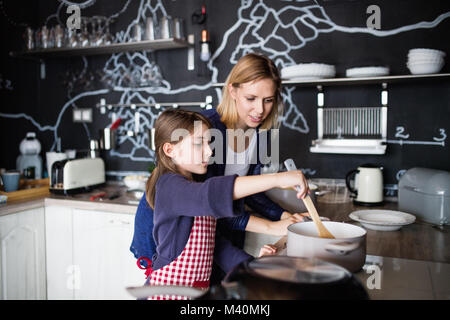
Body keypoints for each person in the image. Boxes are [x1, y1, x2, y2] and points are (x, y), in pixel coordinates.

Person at [131, 52, 310, 280]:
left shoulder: (262, 135)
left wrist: (286, 217)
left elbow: (250, 192)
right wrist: (271, 224)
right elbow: (211, 198)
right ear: (233, 91)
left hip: (209, 237)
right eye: (251, 98)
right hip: (171, 237)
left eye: (268, 100)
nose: (260, 110)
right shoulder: (206, 130)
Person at [145, 109, 308, 299]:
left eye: (209, 143)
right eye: (199, 144)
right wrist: (277, 179)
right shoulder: (169, 186)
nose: (209, 151)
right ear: (169, 149)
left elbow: (216, 246)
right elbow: (209, 195)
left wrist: (253, 266)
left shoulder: (195, 184)